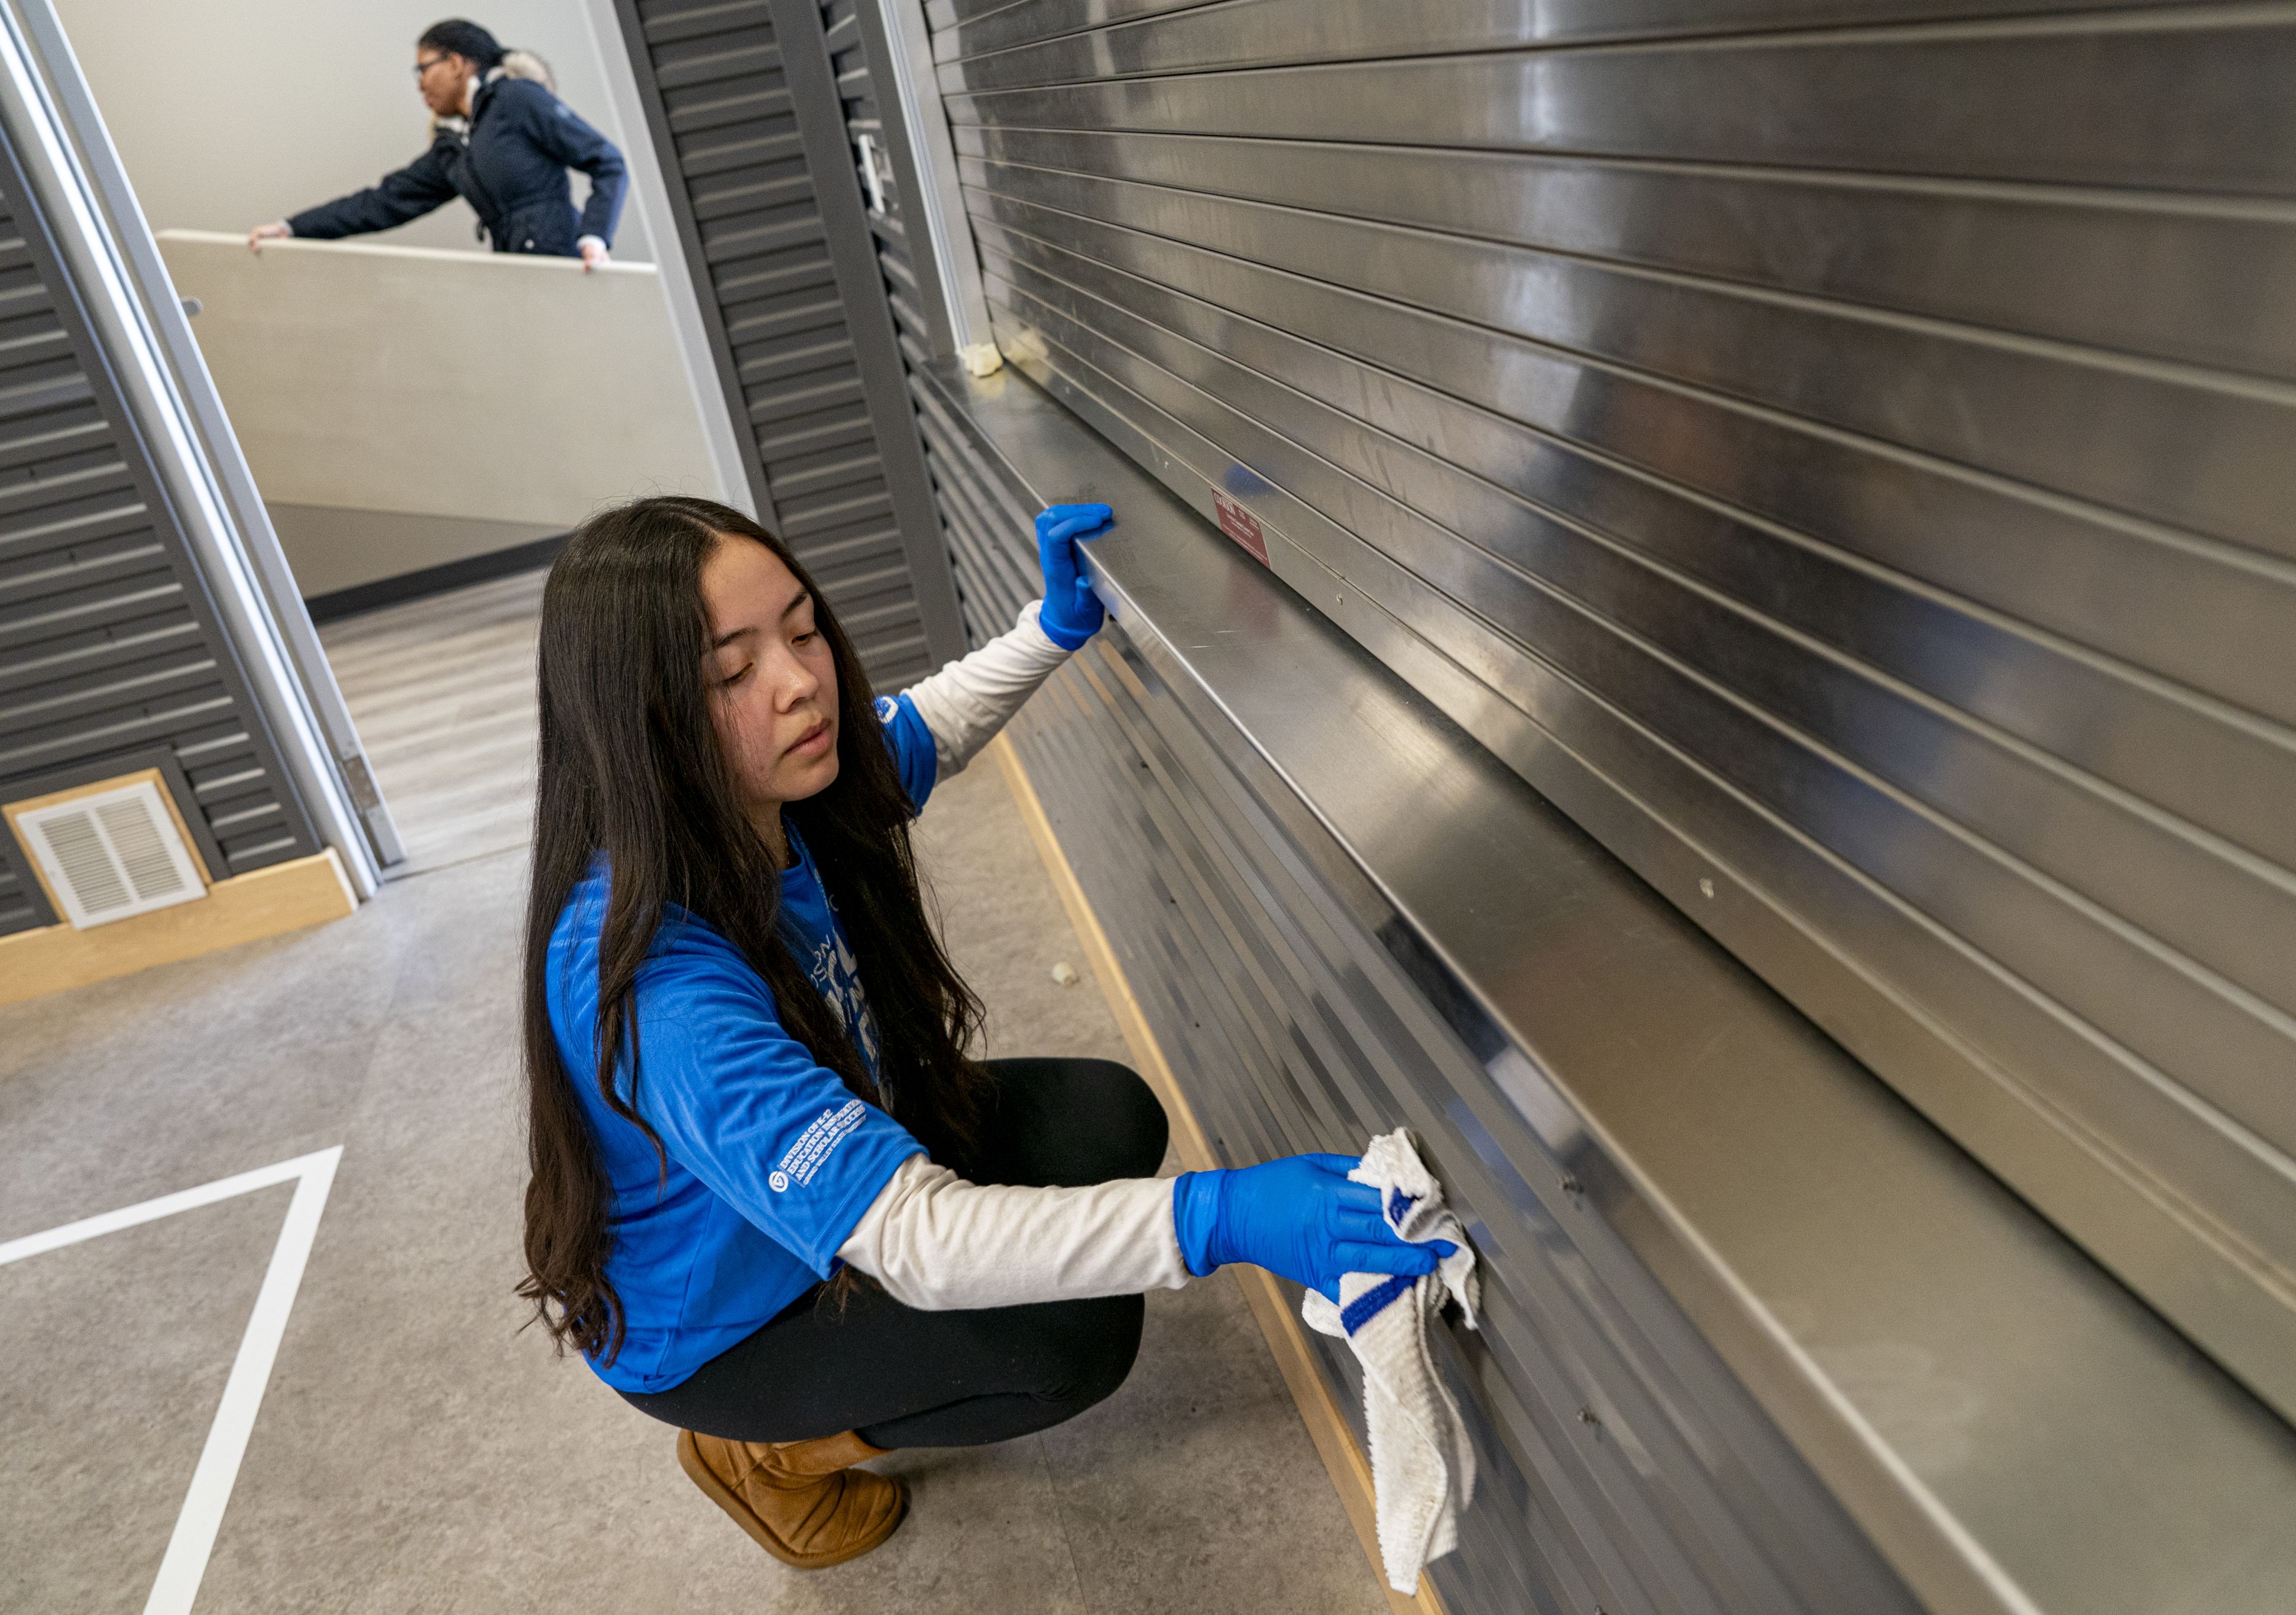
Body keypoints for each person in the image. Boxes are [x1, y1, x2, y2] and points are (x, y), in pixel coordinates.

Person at [519, 494, 1451, 1571]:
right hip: (726, 1317)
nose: (799, 682)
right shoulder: (654, 983)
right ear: (640, 720)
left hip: (804, 1199)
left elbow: (920, 733)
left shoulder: (774, 785)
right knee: (1069, 1345)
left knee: (1110, 1115)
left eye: (803, 628)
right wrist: (1226, 1214)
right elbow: (918, 1242)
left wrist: (1047, 630)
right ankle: (764, 1455)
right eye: (731, 673)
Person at [247, 20, 625, 270]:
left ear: (458, 63)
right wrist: (291, 228)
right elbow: (383, 202)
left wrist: (594, 238)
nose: (420, 84)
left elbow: (608, 162)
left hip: (566, 267)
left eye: (424, 68)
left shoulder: (517, 100)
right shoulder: (454, 148)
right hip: (515, 273)